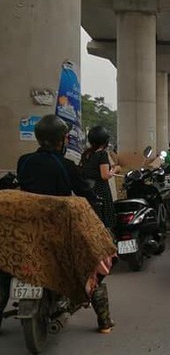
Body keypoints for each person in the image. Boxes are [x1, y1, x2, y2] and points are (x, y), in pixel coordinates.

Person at [9, 114, 114, 333]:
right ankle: (104, 321)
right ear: (62, 140)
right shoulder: (66, 165)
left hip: (26, 232)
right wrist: (95, 215)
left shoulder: (24, 161)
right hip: (59, 233)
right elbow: (86, 194)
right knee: (93, 264)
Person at [80, 126, 120, 229]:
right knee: (104, 222)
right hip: (101, 191)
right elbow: (105, 175)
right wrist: (115, 169)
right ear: (105, 141)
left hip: (89, 191)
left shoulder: (86, 154)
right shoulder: (102, 154)